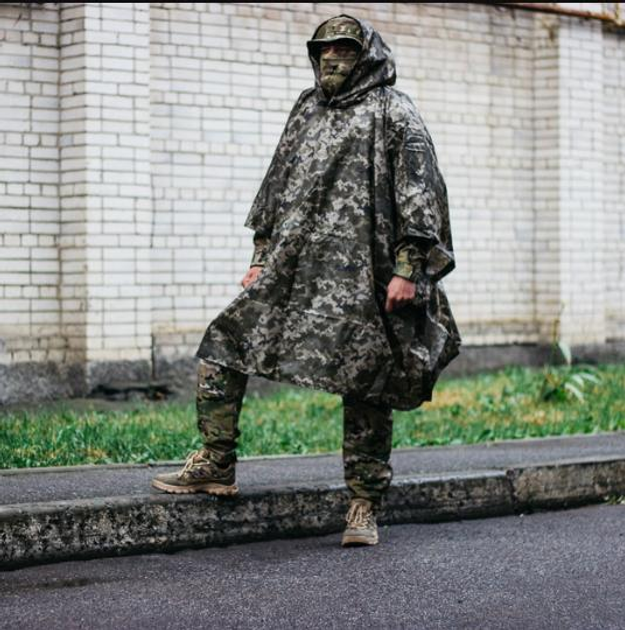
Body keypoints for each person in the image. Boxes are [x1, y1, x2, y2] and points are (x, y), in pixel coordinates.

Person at [152, 14, 462, 547]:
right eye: (323, 50)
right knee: (225, 340)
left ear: (364, 54)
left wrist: (410, 269)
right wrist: (261, 254)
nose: (331, 59)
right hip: (295, 272)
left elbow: (421, 194)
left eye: (343, 49)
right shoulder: (306, 109)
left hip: (364, 278)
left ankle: (363, 504)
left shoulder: (394, 112)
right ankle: (216, 463)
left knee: (367, 382)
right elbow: (276, 185)